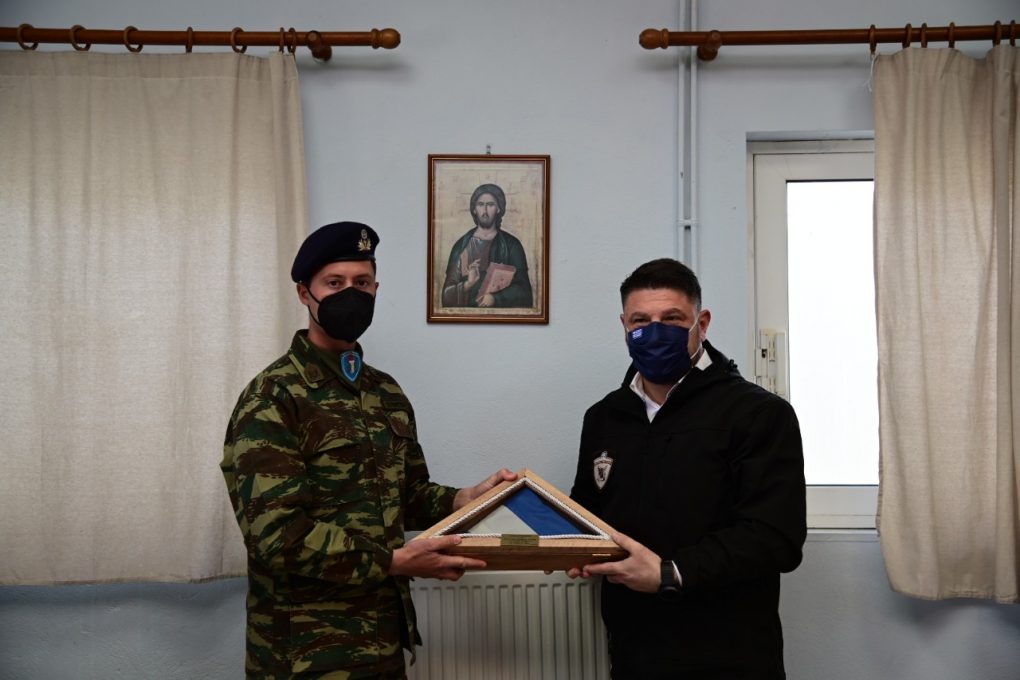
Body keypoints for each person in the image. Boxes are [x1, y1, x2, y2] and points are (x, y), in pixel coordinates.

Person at [220, 220, 516, 679]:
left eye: (361, 283)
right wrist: (393, 562)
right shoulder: (273, 397)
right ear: (304, 294)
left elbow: (405, 495)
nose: (350, 294)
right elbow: (276, 536)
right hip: (304, 655)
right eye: (334, 283)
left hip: (382, 643)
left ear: (376, 289)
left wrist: (462, 499)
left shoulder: (385, 393)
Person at [569, 258, 806, 680]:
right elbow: (589, 512)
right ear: (624, 325)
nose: (655, 331)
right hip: (633, 648)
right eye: (641, 321)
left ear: (702, 323)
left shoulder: (759, 414)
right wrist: (555, 540)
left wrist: (669, 573)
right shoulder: (604, 417)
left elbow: (776, 537)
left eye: (672, 319)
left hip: (731, 651)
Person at [441, 183, 533, 308]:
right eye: (480, 205)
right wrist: (468, 284)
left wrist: (496, 299)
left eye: (490, 205)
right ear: (474, 209)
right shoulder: (461, 246)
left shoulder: (512, 245)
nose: (484, 211)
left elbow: (525, 293)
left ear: (499, 208)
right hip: (467, 317)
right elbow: (446, 297)